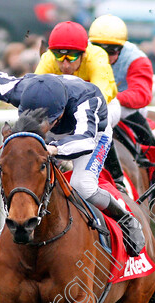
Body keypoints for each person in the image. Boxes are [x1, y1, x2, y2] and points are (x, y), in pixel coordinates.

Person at [0, 72, 146, 257]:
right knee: (25, 173)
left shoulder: (86, 100)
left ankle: (126, 219)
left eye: (44, 121)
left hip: (93, 136)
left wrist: (53, 149)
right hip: (50, 137)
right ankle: (13, 225)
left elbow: (85, 140)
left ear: (58, 116)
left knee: (82, 185)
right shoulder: (22, 89)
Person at [35, 21, 125, 191]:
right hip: (68, 108)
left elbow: (100, 98)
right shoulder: (48, 59)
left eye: (72, 57)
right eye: (59, 57)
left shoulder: (97, 57)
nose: (65, 64)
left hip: (105, 105)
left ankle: (117, 178)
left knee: (98, 124)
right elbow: (34, 94)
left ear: (84, 53)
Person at [88, 14, 155, 186]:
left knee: (115, 110)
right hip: (93, 103)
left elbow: (142, 95)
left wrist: (111, 97)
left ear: (121, 48)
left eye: (111, 51)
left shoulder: (137, 59)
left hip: (126, 105)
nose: (104, 56)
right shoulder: (83, 54)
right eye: (98, 49)